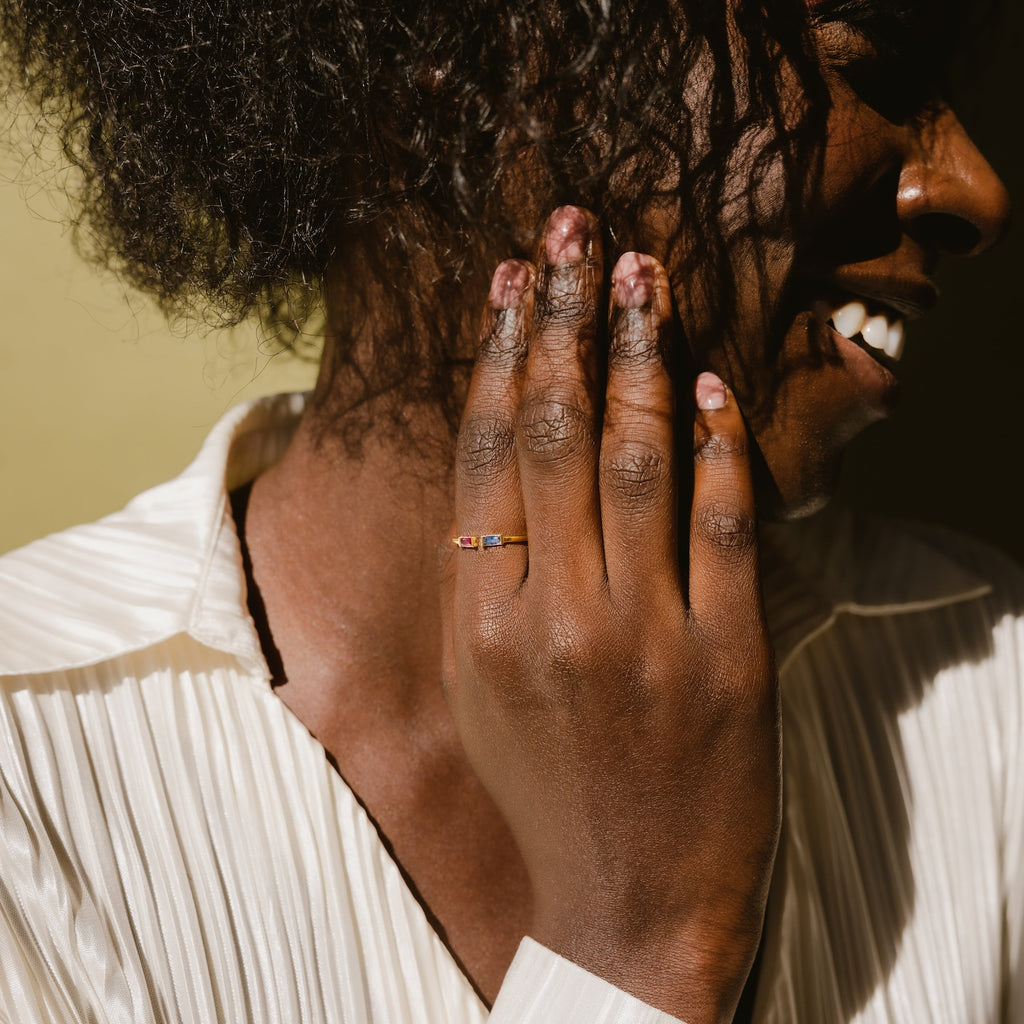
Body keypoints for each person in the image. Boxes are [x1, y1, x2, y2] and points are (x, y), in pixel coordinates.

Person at [0, 0, 1018, 1022]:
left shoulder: (986, 681)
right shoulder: (31, 794)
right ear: (468, 74)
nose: (978, 190)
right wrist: (639, 953)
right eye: (869, 64)